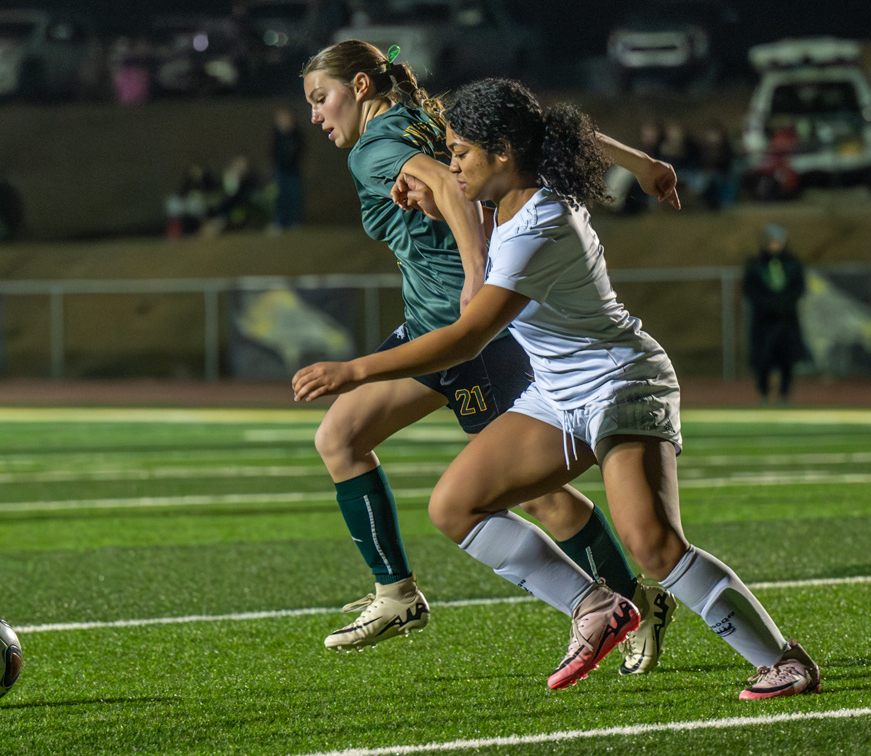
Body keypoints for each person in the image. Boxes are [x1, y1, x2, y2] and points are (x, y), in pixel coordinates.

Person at [293, 78, 821, 700]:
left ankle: (785, 661)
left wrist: (354, 371)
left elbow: (467, 340)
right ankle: (594, 604)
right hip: (559, 394)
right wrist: (645, 164)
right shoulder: (507, 197)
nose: (450, 162)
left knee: (652, 544)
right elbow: (559, 132)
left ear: (504, 153)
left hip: (622, 384)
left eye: (460, 152)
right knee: (455, 506)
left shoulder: (540, 221)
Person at [301, 40, 679, 677]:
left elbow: (449, 186)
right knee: (341, 434)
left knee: (538, 496)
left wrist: (476, 272)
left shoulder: (373, 149)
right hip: (430, 323)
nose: (315, 115)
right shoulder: (427, 111)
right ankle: (397, 595)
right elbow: (547, 129)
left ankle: (630, 601)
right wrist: (640, 163)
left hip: (466, 336)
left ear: (361, 86)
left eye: (321, 98)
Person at [743, 224, 808, 404]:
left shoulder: (793, 264)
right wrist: (768, 305)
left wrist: (784, 305)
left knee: (787, 359)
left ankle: (785, 395)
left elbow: (798, 288)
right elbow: (750, 290)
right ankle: (764, 393)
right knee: (763, 359)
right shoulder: (756, 265)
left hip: (787, 320)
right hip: (763, 321)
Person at [271, 106, 306, 231]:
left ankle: (295, 222)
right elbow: (274, 152)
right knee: (281, 197)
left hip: (293, 171)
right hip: (281, 171)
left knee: (294, 196)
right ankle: (280, 222)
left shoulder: (296, 135)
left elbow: (299, 151)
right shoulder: (277, 135)